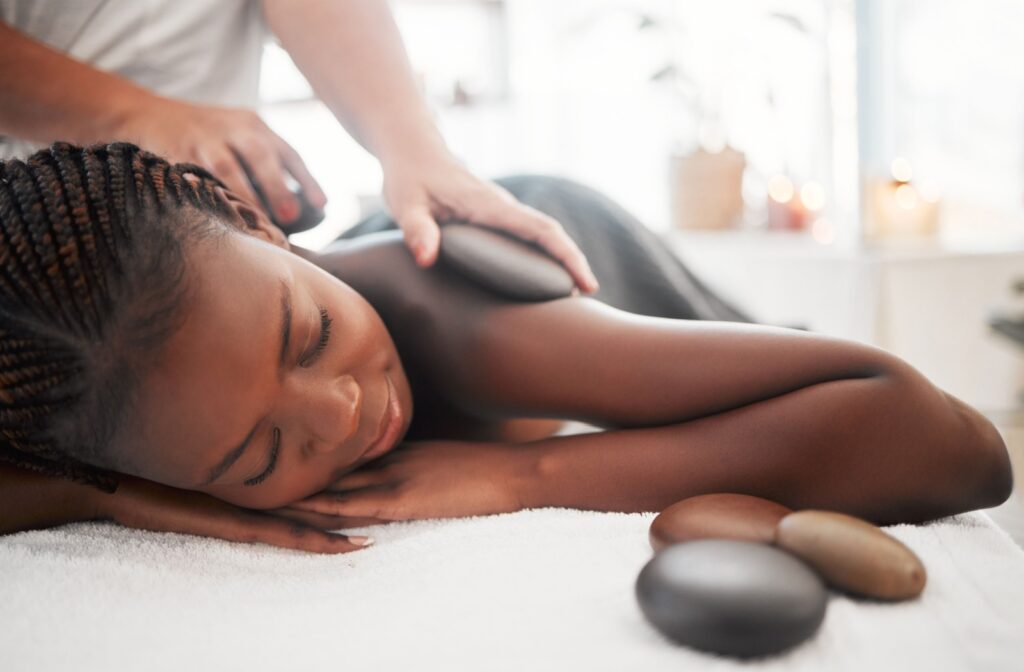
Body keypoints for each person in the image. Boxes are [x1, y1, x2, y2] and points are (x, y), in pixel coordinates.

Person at [0, 143, 1013, 553]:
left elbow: (950, 444)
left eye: (308, 334)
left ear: (256, 221)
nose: (341, 414)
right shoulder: (112, 422)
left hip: (580, 264)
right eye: (256, 459)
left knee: (765, 344)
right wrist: (103, 495)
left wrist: (527, 473)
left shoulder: (454, 320)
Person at [0, 0, 598, 292]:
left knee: (544, 201)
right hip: (40, 261)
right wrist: (137, 115)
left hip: (227, 239)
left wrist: (415, 150)